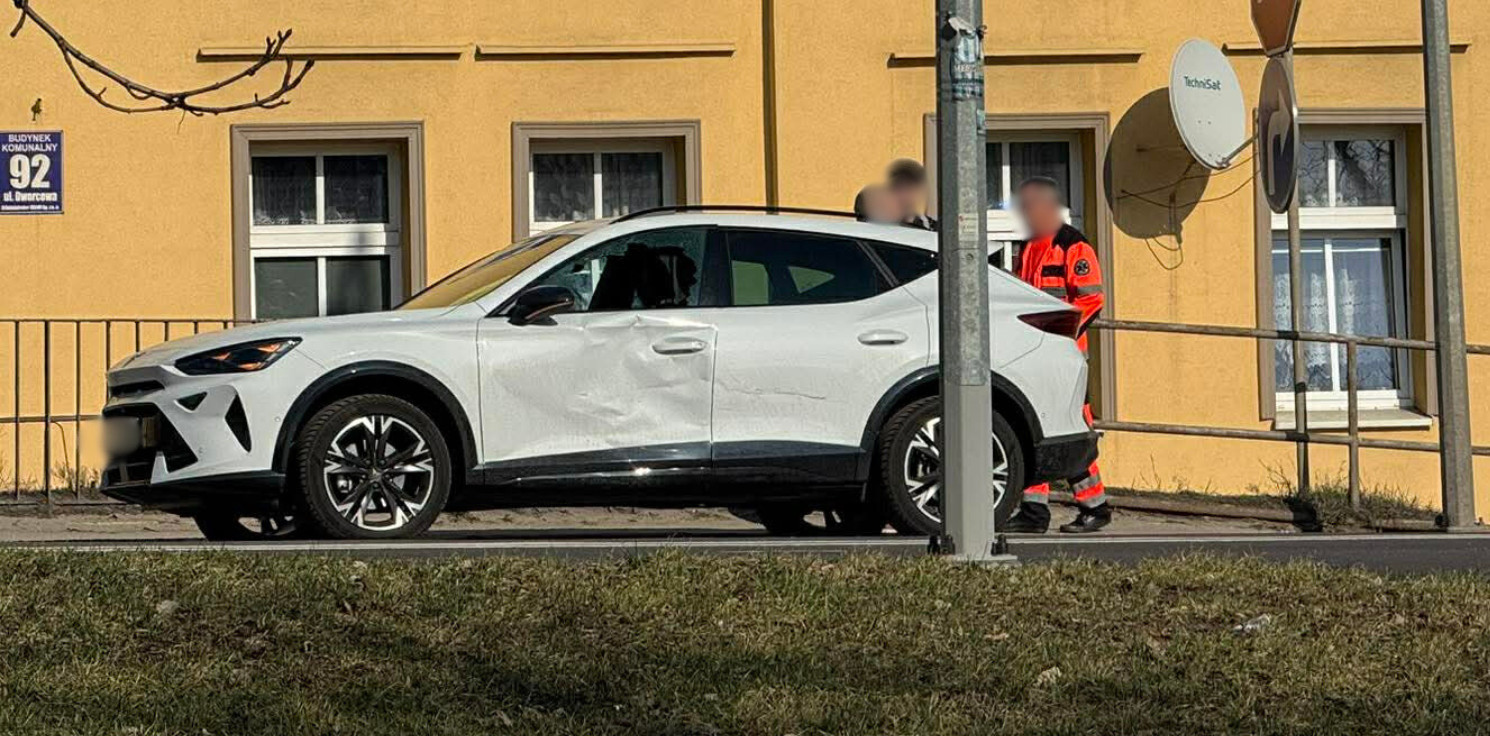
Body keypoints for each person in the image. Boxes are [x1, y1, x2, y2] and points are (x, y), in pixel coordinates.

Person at [1005, 176, 1111, 534]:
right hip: (1036, 353)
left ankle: (1094, 506)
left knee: (1069, 429)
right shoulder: (1030, 245)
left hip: (1065, 357)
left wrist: (1060, 334)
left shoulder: (1073, 246)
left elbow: (1091, 299)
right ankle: (1035, 511)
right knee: (1039, 425)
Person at [886, 158, 936, 230]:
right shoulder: (879, 226)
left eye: (908, 188)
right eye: (898, 188)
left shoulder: (934, 229)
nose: (903, 195)